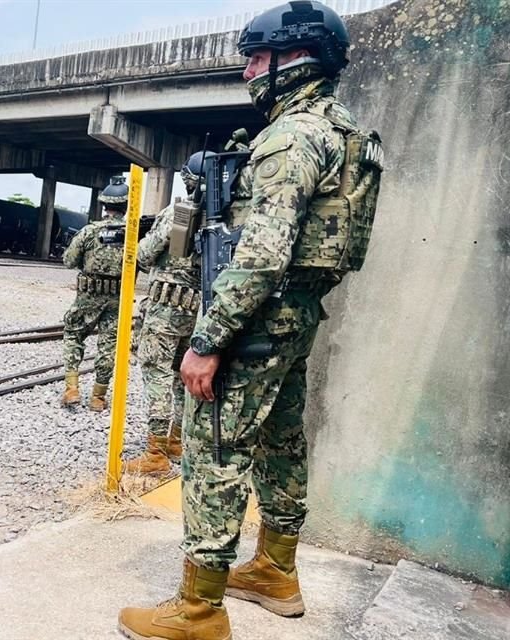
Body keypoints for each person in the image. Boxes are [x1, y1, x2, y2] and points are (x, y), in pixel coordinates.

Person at [118, 2, 383, 638]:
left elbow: (262, 253)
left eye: (256, 58)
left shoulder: (291, 137)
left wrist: (208, 340)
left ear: (296, 59)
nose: (247, 73)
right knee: (283, 436)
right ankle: (275, 569)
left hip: (260, 315)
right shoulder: (345, 131)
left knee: (213, 445)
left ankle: (199, 610)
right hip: (300, 313)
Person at [121, 158, 207, 476]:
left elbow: (143, 256)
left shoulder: (178, 212)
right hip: (197, 310)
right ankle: (177, 439)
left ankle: (155, 453)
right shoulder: (220, 217)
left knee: (155, 371)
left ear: (186, 181)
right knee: (181, 375)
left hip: (164, 308)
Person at [60, 175, 129, 411]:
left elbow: (69, 261)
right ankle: (98, 397)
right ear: (126, 206)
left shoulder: (90, 231)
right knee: (108, 346)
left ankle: (71, 389)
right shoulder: (133, 234)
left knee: (73, 334)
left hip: (88, 296)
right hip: (117, 298)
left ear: (104, 205)